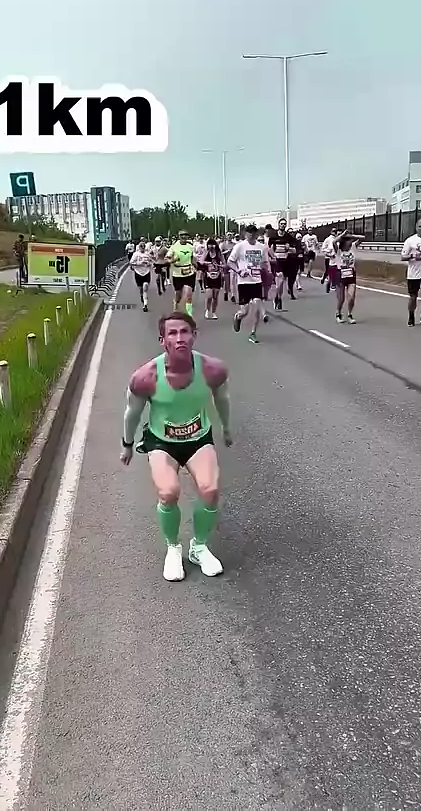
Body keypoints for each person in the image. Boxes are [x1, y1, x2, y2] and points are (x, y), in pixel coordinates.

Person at [120, 311, 233, 582]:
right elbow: (132, 413)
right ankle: (173, 548)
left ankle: (199, 547)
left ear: (194, 336)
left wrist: (227, 428)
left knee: (210, 490)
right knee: (168, 492)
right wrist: (127, 444)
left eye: (185, 331)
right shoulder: (146, 377)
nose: (179, 338)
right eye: (172, 333)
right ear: (163, 340)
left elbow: (223, 399)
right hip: (162, 442)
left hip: (198, 439)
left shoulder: (212, 369)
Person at [228, 224, 270, 344]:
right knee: (244, 311)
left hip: (257, 281)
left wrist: (265, 270)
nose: (251, 235)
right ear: (245, 234)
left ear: (257, 234)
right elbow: (230, 262)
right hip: (244, 282)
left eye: (253, 232)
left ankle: (253, 333)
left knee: (256, 305)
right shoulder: (239, 246)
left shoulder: (262, 247)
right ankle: (238, 317)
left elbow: (265, 263)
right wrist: (239, 271)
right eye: (249, 232)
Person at [334, 231, 365, 323]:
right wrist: (342, 235)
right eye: (348, 241)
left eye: (351, 240)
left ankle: (350, 314)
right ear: (344, 242)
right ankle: (338, 313)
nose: (350, 242)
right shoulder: (338, 250)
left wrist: (351, 236)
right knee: (341, 298)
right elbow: (334, 242)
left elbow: (363, 238)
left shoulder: (353, 247)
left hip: (351, 274)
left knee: (351, 297)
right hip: (340, 274)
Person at [167, 230, 197, 316]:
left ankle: (189, 314)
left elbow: (192, 258)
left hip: (189, 273)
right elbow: (167, 259)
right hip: (177, 274)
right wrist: (174, 260)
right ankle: (175, 308)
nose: (184, 237)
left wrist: (197, 266)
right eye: (182, 235)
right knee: (178, 295)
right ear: (179, 236)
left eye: (185, 235)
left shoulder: (190, 247)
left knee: (189, 295)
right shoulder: (174, 247)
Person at [270, 217, 293, 309]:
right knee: (279, 279)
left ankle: (278, 297)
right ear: (278, 225)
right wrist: (272, 256)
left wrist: (289, 248)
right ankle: (278, 299)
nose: (283, 225)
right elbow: (269, 248)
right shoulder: (273, 236)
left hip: (286, 260)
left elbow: (294, 248)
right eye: (281, 224)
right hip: (277, 260)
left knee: (282, 281)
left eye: (284, 224)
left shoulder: (288, 236)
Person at [201, 239, 224, 319]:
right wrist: (209, 263)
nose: (211, 246)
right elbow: (201, 261)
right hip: (208, 276)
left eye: (213, 244)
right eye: (209, 244)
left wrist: (218, 265)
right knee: (209, 296)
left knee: (215, 296)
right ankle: (207, 310)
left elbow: (224, 264)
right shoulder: (206, 252)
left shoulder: (219, 253)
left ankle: (214, 312)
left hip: (217, 276)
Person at [129, 240, 153, 312]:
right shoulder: (136, 254)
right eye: (141, 246)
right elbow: (131, 262)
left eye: (143, 246)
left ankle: (145, 305)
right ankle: (141, 296)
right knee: (141, 289)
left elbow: (151, 262)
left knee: (145, 287)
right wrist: (139, 263)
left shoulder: (147, 254)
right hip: (138, 273)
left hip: (146, 273)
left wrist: (149, 264)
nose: (142, 248)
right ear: (139, 247)